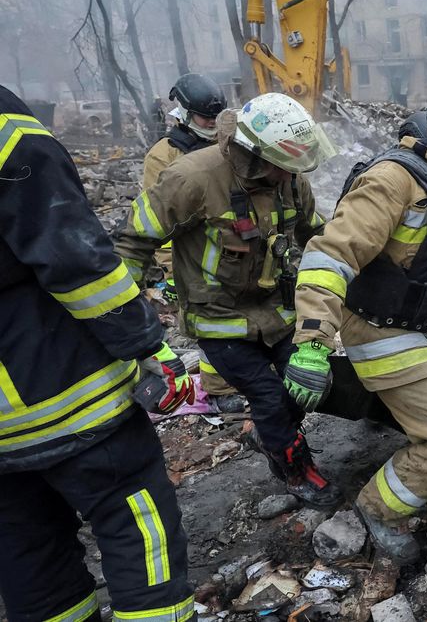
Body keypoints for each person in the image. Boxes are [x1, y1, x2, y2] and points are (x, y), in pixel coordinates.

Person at [283, 82, 427, 565]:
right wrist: (313, 341)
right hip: (382, 331)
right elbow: (330, 255)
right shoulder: (392, 181)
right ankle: (375, 511)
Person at [0, 85, 195, 621]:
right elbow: (78, 264)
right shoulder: (9, 136)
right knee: (136, 523)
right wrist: (146, 344)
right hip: (63, 393)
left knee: (27, 555)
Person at [115, 92, 341, 507]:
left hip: (277, 311)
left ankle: (268, 437)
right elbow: (132, 242)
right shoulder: (193, 179)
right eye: (281, 166)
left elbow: (320, 238)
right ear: (251, 154)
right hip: (219, 319)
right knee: (269, 398)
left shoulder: (289, 178)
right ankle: (294, 468)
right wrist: (124, 316)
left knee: (308, 383)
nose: (287, 175)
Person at [142, 74, 236, 401]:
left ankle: (250, 376)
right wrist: (169, 270)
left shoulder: (229, 144)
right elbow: (158, 218)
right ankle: (221, 391)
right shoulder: (164, 156)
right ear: (182, 112)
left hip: (234, 247)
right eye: (205, 117)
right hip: (193, 256)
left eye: (216, 117)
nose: (212, 124)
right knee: (211, 328)